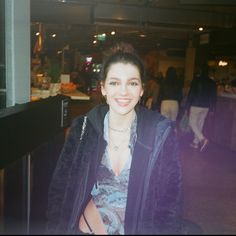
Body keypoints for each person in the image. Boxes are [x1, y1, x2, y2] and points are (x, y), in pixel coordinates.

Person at [46, 42, 183, 235]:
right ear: (103, 88)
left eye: (132, 83)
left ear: (142, 89)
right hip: (89, 227)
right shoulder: (84, 128)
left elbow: (170, 201)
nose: (124, 91)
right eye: (114, 82)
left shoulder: (160, 132)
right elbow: (61, 189)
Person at [185, 64, 217, 152]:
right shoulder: (212, 82)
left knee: (192, 123)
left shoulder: (196, 80)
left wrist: (187, 106)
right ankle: (195, 143)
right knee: (199, 124)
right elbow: (214, 97)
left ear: (200, 70)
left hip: (196, 104)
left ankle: (202, 139)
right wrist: (212, 109)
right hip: (206, 106)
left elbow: (191, 94)